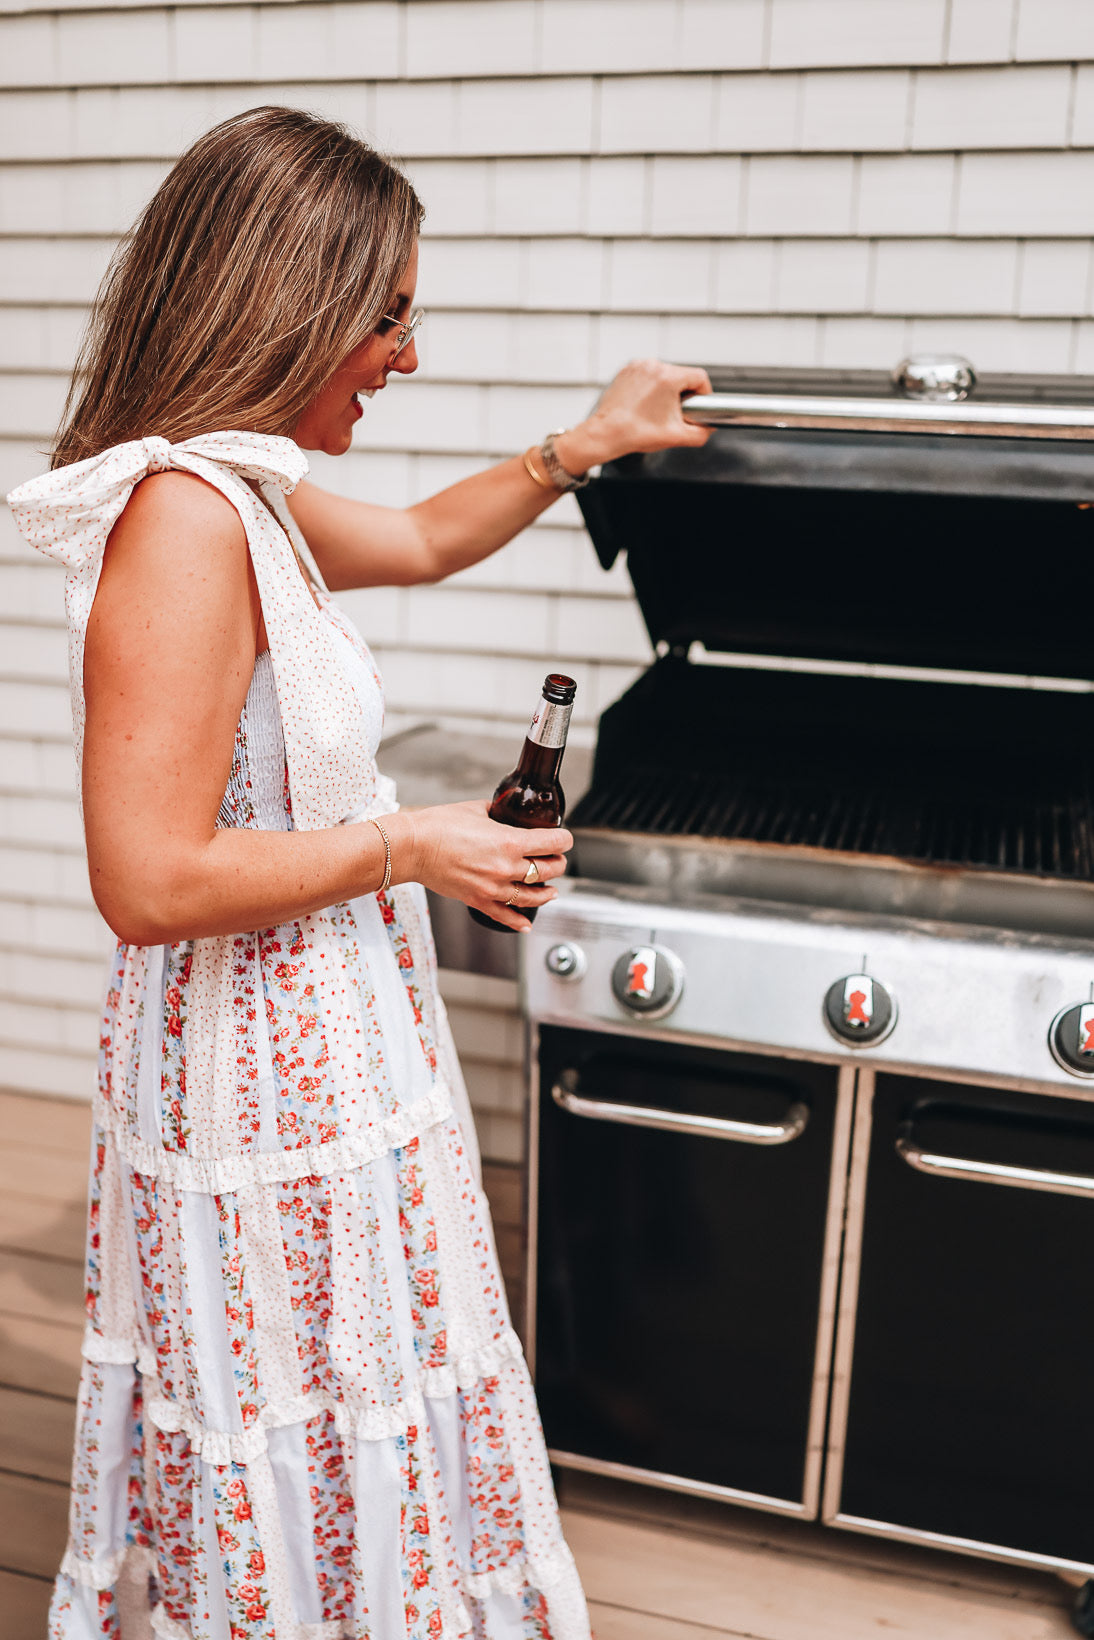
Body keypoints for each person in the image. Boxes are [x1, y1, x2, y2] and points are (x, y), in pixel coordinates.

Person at [8, 104, 711, 1640]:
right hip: (254, 1054)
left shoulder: (244, 492)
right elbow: (147, 879)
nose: (407, 353)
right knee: (291, 1386)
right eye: (386, 316)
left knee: (346, 1380)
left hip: (322, 1027)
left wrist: (581, 445)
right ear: (288, 304)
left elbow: (419, 538)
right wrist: (413, 842)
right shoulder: (184, 521)